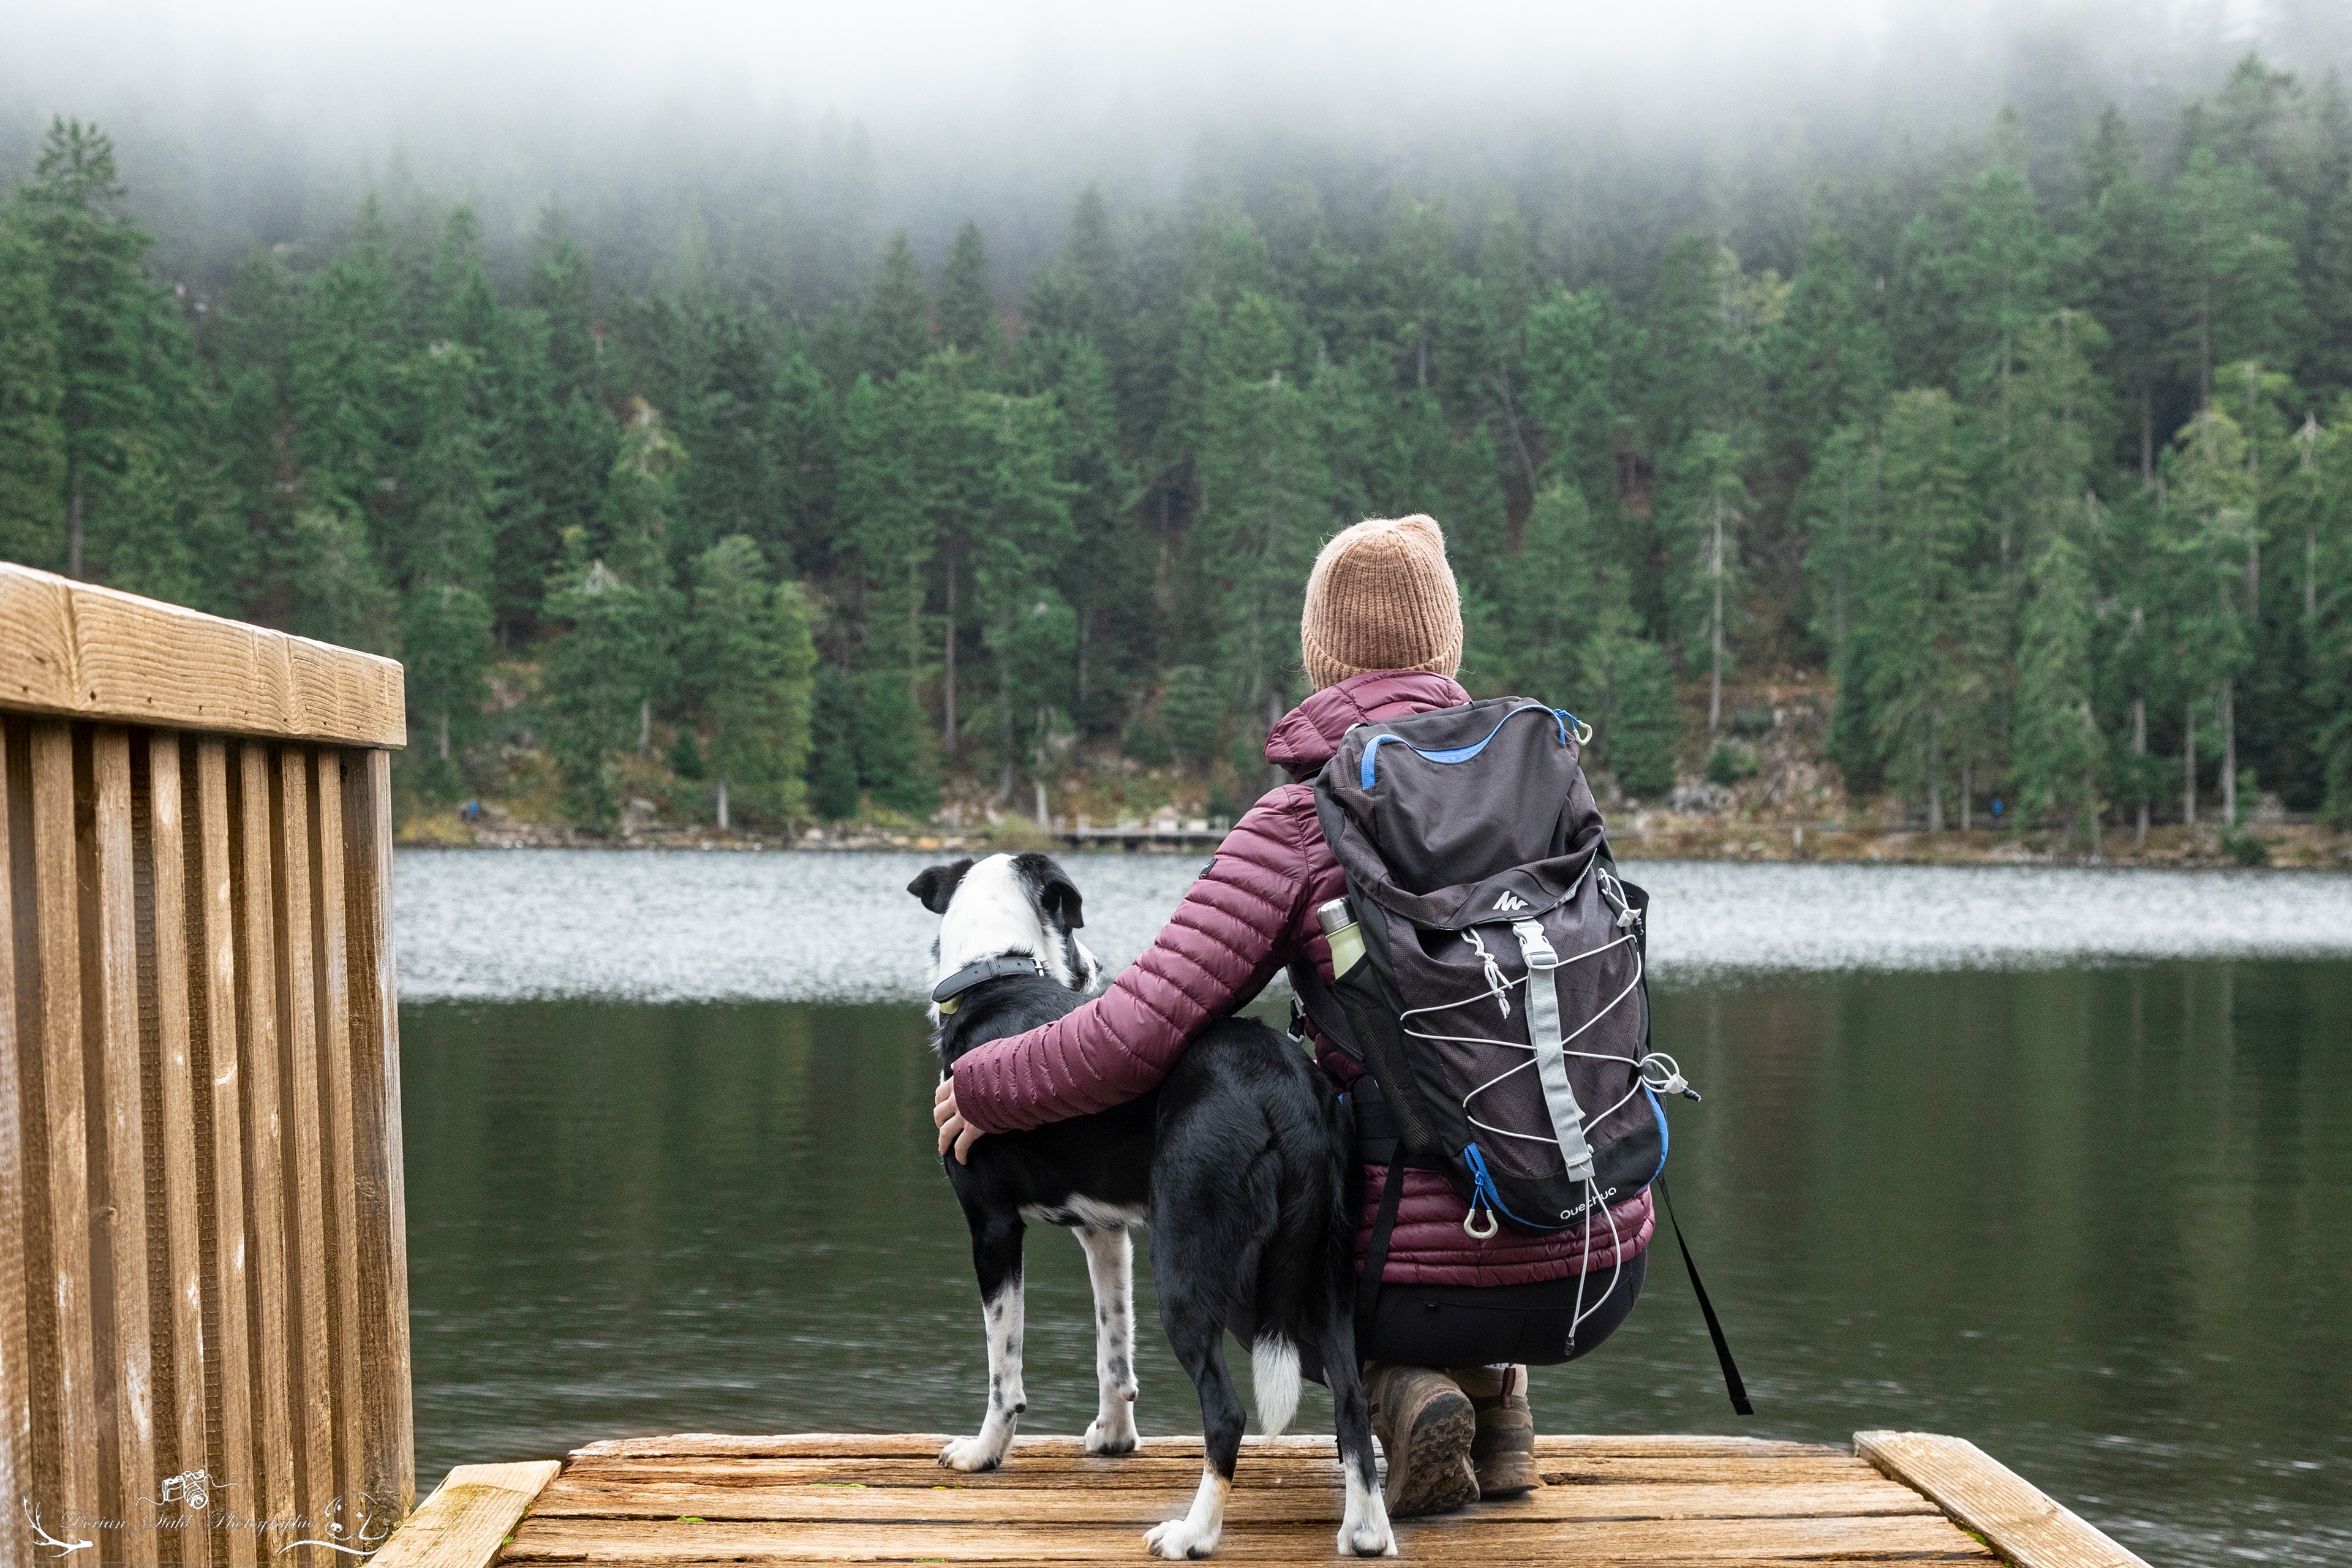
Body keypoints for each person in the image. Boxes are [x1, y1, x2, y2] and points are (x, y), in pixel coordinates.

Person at [933, 514, 1652, 1517]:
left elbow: (1136, 1030)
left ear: (1320, 657)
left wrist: (985, 1084)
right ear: (1448, 649)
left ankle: (1406, 1390)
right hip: (1600, 1264)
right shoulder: (1543, 789)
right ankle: (1497, 1402)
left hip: (1409, 1279)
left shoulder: (1308, 817)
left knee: (1232, 1175)